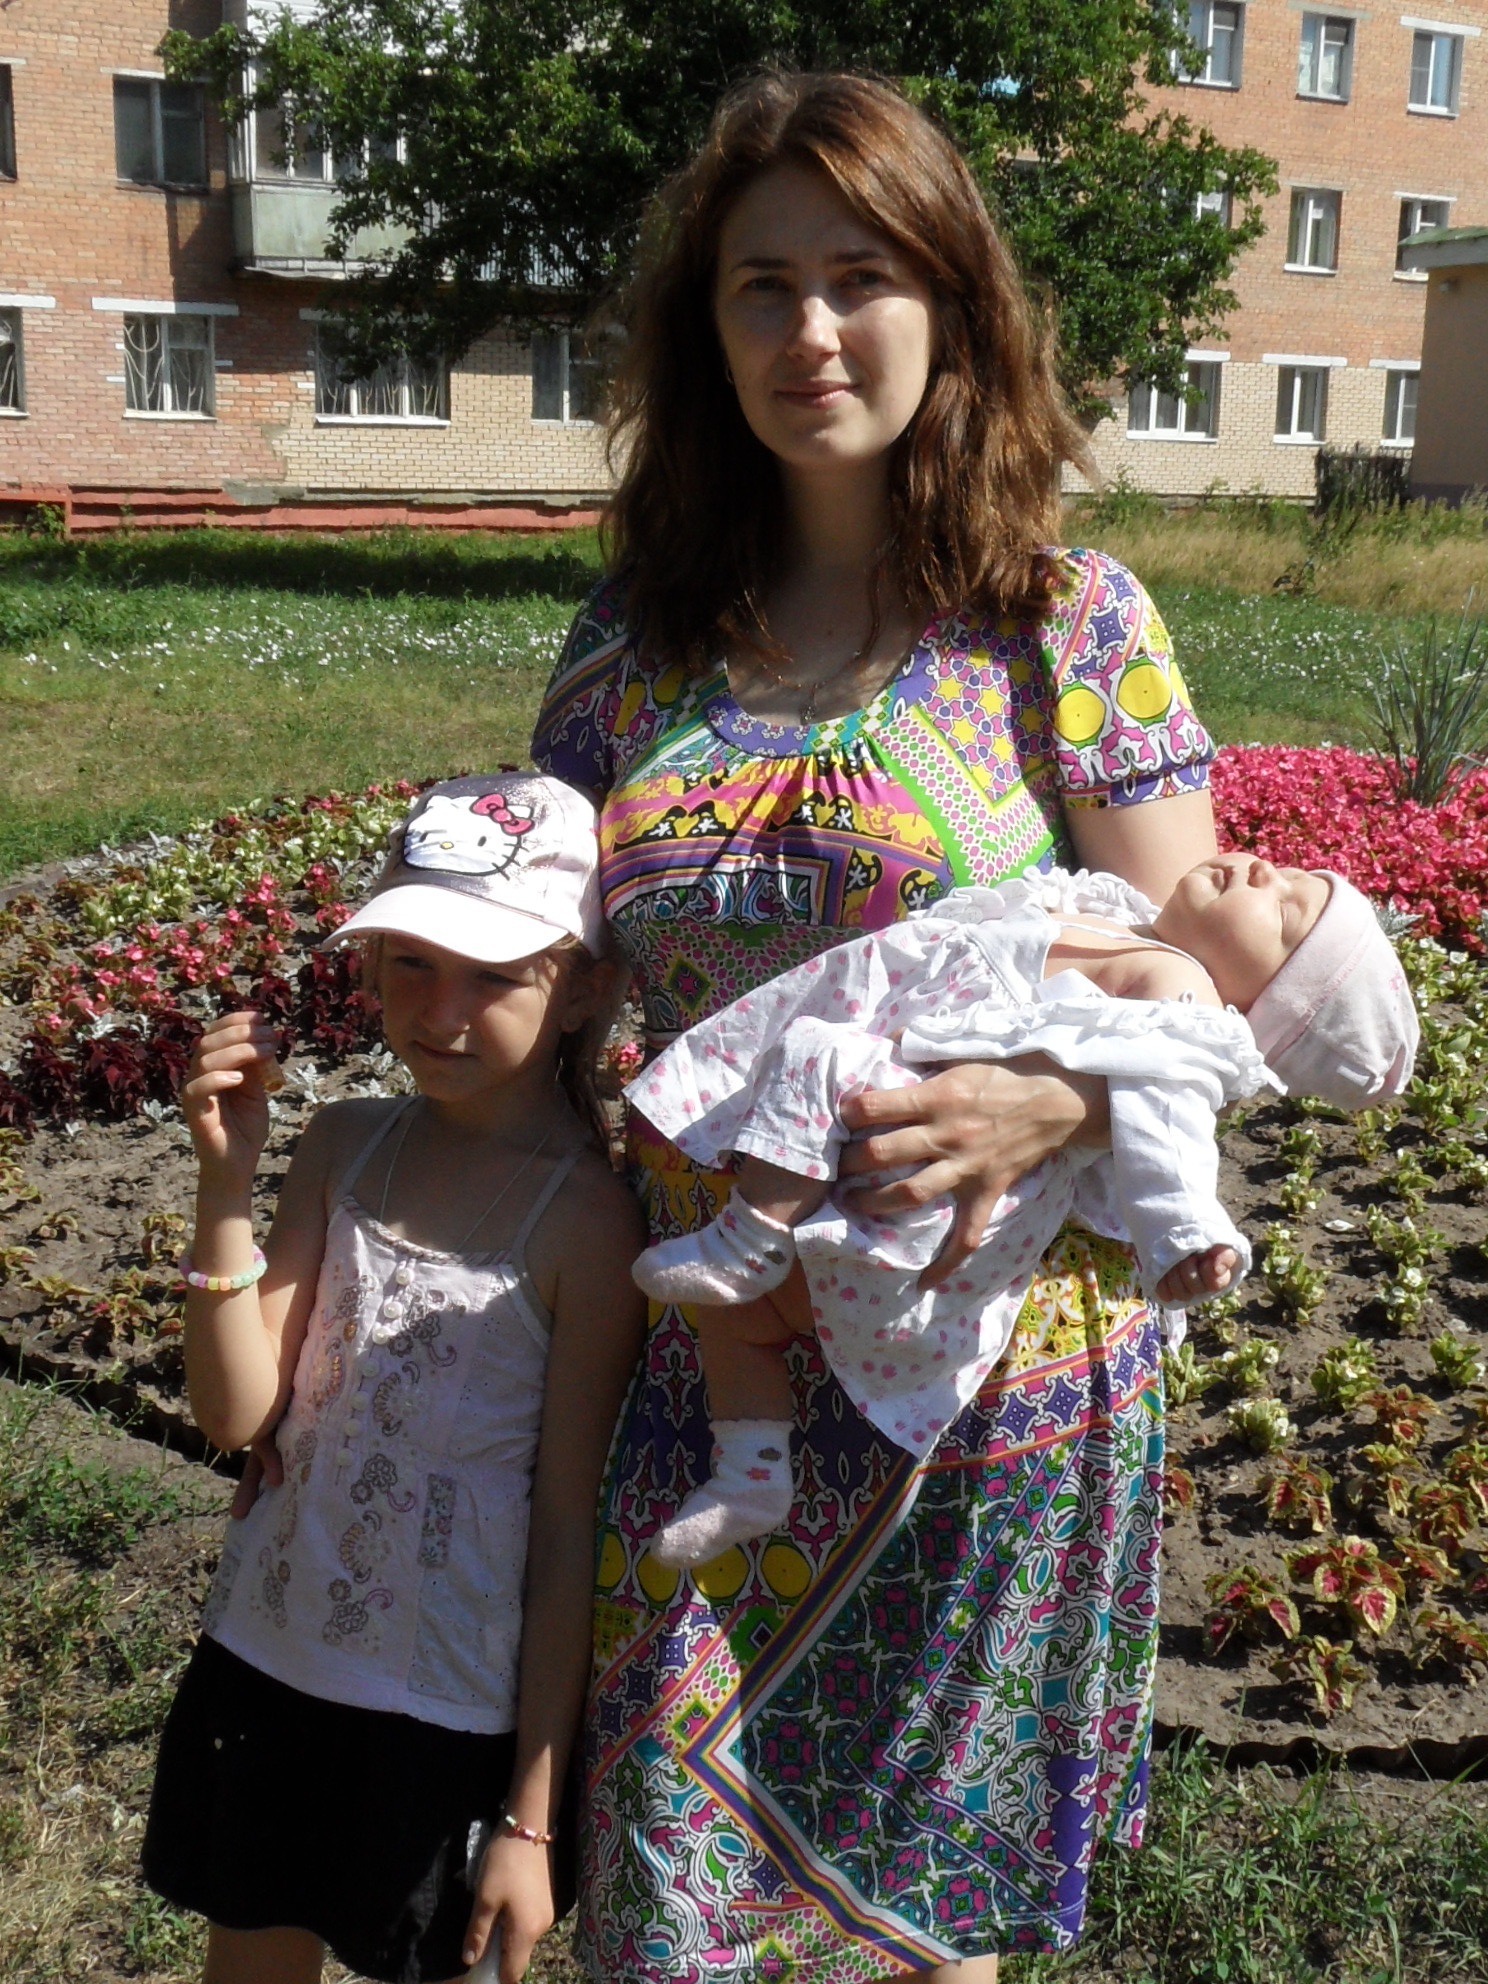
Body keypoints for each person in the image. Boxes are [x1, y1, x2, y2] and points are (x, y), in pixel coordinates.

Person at [532, 65, 1244, 1980]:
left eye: (860, 277)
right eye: (760, 285)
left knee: (915, 1932)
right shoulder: (627, 646)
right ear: (707, 328)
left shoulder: (1064, 622)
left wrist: (1049, 1094)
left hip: (980, 1375)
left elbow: (1206, 973)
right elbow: (545, 960)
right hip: (709, 1368)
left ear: (951, 304)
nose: (812, 331)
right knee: (670, 1898)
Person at [141, 774, 646, 1984]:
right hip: (268, 1660)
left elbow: (564, 1533)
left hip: (447, 1716)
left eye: (493, 975)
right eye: (410, 961)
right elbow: (236, 1414)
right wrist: (225, 1187)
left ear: (582, 987)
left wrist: (530, 1820)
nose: (440, 1010)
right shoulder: (343, 1145)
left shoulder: (586, 1224)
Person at [626, 856, 1419, 1561]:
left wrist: (1187, 1234)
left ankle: (753, 1236)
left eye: (1286, 916)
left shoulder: (1183, 998)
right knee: (738, 1313)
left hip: (944, 1190)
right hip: (896, 1136)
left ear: (1261, 1005)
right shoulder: (1112, 915)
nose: (1265, 874)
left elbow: (1169, 1126)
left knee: (816, 1067)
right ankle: (751, 1475)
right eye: (1290, 873)